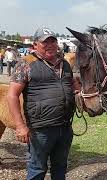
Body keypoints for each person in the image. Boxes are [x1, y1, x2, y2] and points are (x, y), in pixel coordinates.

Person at [7, 27, 75, 180]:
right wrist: (20, 126)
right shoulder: (26, 64)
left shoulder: (64, 64)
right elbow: (12, 95)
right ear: (35, 45)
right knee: (37, 169)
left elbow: (70, 86)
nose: (50, 45)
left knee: (60, 167)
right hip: (40, 130)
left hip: (64, 127)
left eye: (53, 41)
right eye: (45, 42)